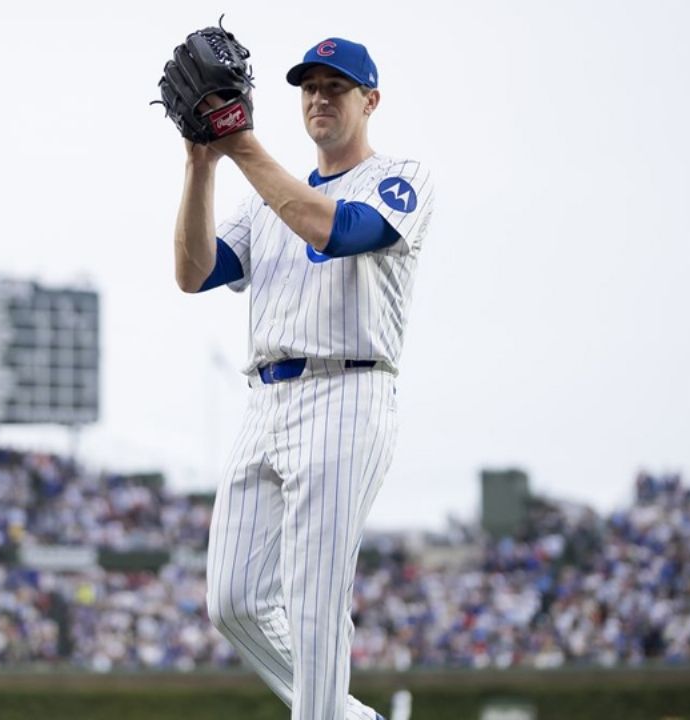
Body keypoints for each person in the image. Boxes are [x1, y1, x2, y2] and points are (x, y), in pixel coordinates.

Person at [172, 37, 434, 720]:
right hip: (266, 398)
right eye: (309, 86)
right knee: (232, 600)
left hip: (347, 390)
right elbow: (194, 271)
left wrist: (242, 145)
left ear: (369, 101)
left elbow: (336, 231)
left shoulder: (400, 177)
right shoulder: (264, 200)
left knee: (313, 600)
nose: (319, 97)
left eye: (336, 87)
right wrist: (201, 162)